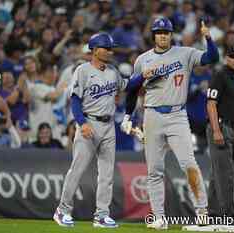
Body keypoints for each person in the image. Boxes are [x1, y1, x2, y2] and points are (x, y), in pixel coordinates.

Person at [120, 17, 219, 229]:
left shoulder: (185, 53)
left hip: (177, 115)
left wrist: (208, 37)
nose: (162, 35)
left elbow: (213, 57)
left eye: (166, 32)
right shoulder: (142, 59)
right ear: (154, 35)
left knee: (189, 164)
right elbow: (132, 89)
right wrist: (128, 115)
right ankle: (158, 217)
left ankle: (202, 211)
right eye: (159, 32)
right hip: (152, 115)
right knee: (154, 170)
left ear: (171, 34)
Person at [53, 32, 153, 228]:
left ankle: (101, 214)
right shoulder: (82, 70)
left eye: (110, 48)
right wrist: (82, 124)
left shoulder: (112, 71)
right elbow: (74, 100)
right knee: (77, 170)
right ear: (94, 50)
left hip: (108, 126)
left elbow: (126, 85)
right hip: (89, 123)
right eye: (106, 48)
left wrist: (142, 76)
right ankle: (62, 210)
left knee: (106, 174)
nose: (110, 51)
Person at [206, 43, 234, 218]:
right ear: (226, 58)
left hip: (232, 129)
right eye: (233, 56)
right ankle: (229, 212)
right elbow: (211, 104)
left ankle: (213, 212)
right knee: (226, 172)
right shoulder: (220, 75)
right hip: (221, 127)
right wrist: (216, 130)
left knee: (217, 172)